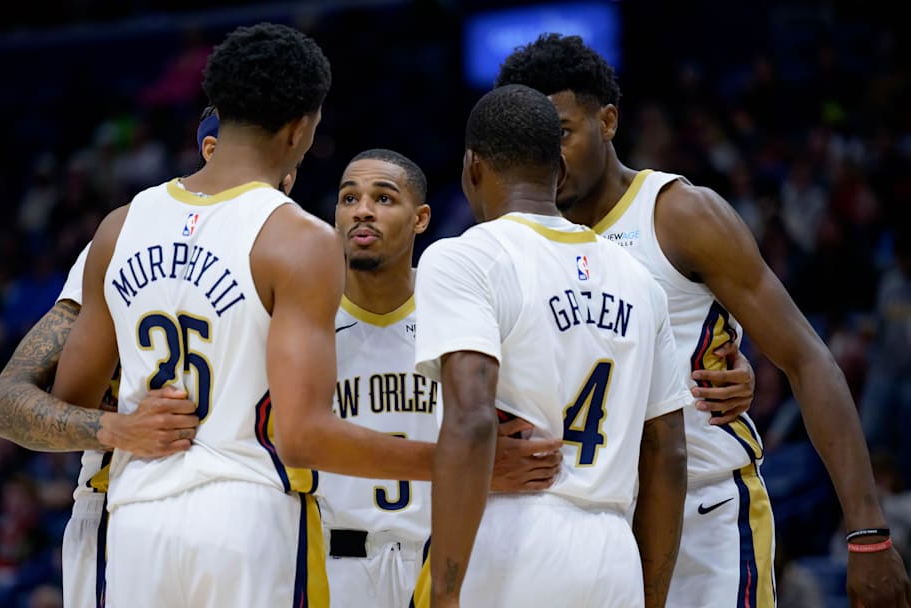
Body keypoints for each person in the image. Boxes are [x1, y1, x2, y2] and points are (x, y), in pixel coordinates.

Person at [49, 23, 556, 606]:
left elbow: (71, 400)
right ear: (301, 128)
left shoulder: (120, 226)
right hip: (246, 515)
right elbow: (304, 437)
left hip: (136, 518)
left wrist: (125, 425)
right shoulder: (297, 239)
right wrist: (466, 467)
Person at [495, 32, 911, 608]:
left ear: (608, 121)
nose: (550, 158)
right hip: (591, 528)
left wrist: (866, 532)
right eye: (534, 141)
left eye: (562, 133)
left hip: (706, 514)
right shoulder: (520, 244)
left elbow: (807, 358)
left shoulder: (678, 214)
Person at [414, 84, 689, 607]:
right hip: (614, 552)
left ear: (473, 166)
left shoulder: (466, 257)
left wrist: (445, 593)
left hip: (511, 536)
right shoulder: (639, 280)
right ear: (559, 172)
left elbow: (472, 422)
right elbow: (669, 453)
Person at [0, 107, 226, 608]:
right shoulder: (125, 241)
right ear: (211, 150)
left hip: (245, 510)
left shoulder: (295, 248)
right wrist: (115, 429)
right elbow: (0, 406)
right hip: (126, 508)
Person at [320, 148, 557, 607]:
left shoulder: (459, 312)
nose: (362, 210)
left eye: (384, 199)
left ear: (421, 218)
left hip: (442, 560)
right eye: (349, 199)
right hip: (333, 560)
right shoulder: (306, 316)